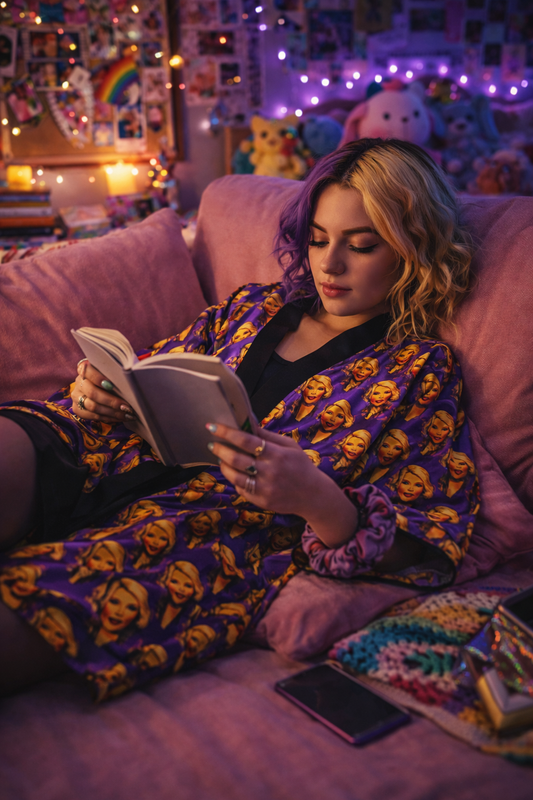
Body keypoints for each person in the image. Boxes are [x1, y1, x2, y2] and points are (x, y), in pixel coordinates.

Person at [0, 138, 478, 699]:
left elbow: (427, 534)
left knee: (42, 598)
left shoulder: (420, 368)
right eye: (318, 239)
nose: (329, 264)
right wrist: (100, 391)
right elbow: (151, 374)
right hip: (99, 448)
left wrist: (315, 498)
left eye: (363, 245)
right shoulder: (253, 305)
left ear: (411, 249)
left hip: (198, 533)